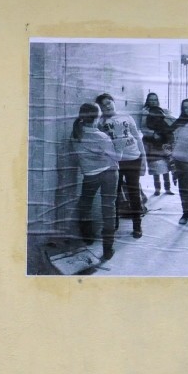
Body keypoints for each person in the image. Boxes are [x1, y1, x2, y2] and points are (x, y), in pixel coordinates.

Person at [72, 102, 120, 262]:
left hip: (89, 175)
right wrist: (115, 140)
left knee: (85, 205)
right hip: (108, 173)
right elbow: (116, 157)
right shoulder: (102, 136)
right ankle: (108, 249)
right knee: (109, 210)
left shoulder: (76, 133)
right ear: (98, 117)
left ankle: (88, 237)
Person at [96, 93, 144, 239]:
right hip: (114, 162)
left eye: (108, 103)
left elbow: (137, 137)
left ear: (113, 102)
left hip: (133, 159)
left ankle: (137, 225)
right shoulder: (100, 123)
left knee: (134, 193)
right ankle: (114, 224)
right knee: (114, 194)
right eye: (103, 105)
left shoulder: (127, 117)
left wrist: (144, 160)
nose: (107, 106)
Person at [139, 93, 174, 196]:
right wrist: (154, 134)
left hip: (163, 141)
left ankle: (167, 189)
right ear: (148, 101)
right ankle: (157, 189)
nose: (153, 101)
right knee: (155, 165)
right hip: (151, 142)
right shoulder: (145, 112)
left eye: (155, 99)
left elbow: (170, 123)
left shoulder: (162, 111)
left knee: (166, 164)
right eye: (151, 100)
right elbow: (143, 128)